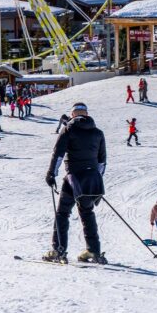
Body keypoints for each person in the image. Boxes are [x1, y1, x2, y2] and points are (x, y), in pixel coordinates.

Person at [45, 103, 108, 262]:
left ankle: (58, 249)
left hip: (74, 178)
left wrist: (51, 174)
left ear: (73, 115)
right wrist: (95, 181)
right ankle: (93, 250)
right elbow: (102, 161)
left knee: (63, 213)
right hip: (92, 178)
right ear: (86, 114)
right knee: (87, 212)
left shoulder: (68, 129)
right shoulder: (98, 133)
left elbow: (58, 154)